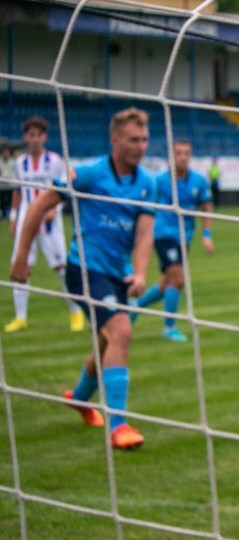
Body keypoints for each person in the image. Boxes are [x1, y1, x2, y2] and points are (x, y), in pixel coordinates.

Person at [10, 107, 156, 450]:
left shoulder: (147, 183)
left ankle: (78, 397)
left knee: (108, 341)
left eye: (144, 140)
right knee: (121, 331)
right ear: (115, 139)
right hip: (84, 270)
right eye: (133, 139)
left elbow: (144, 234)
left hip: (117, 274)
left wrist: (140, 272)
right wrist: (21, 256)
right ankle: (119, 427)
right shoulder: (88, 174)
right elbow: (39, 205)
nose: (140, 146)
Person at [5, 116, 86, 333]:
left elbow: (65, 189)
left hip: (50, 222)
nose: (35, 139)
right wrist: (13, 217)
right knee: (21, 264)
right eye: (31, 135)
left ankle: (75, 311)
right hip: (26, 219)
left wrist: (54, 209)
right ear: (26, 137)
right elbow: (17, 191)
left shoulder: (56, 161)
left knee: (61, 267)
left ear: (45, 137)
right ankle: (20, 317)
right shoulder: (19, 163)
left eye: (39, 135)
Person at [131, 139, 213, 342]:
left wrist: (206, 234)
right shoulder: (159, 181)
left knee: (165, 284)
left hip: (185, 237)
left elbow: (206, 206)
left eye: (186, 153)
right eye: (179, 153)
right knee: (178, 279)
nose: (183, 157)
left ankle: (134, 307)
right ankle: (169, 328)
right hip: (163, 234)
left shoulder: (198, 181)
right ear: (170, 157)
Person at [0, 147, 14, 220]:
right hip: (1, 185)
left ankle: (12, 214)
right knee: (2, 201)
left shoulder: (13, 161)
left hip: (10, 184)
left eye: (7, 152)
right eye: (4, 152)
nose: (6, 154)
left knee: (11, 200)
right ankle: (3, 214)